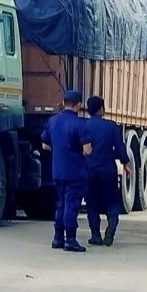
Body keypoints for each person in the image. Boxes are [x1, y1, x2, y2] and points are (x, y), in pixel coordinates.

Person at [41, 89, 93, 253]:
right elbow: (87, 150)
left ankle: (58, 238)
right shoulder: (80, 125)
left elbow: (44, 144)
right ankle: (70, 240)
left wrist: (59, 149)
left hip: (57, 170)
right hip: (75, 171)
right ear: (78, 105)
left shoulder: (52, 121)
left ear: (64, 103)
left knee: (61, 203)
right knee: (71, 204)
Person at [82, 95, 131, 247]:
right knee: (112, 202)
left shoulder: (84, 126)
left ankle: (95, 235)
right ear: (101, 109)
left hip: (89, 171)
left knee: (92, 204)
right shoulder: (111, 126)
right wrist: (126, 163)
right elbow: (120, 147)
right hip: (107, 171)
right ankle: (110, 232)